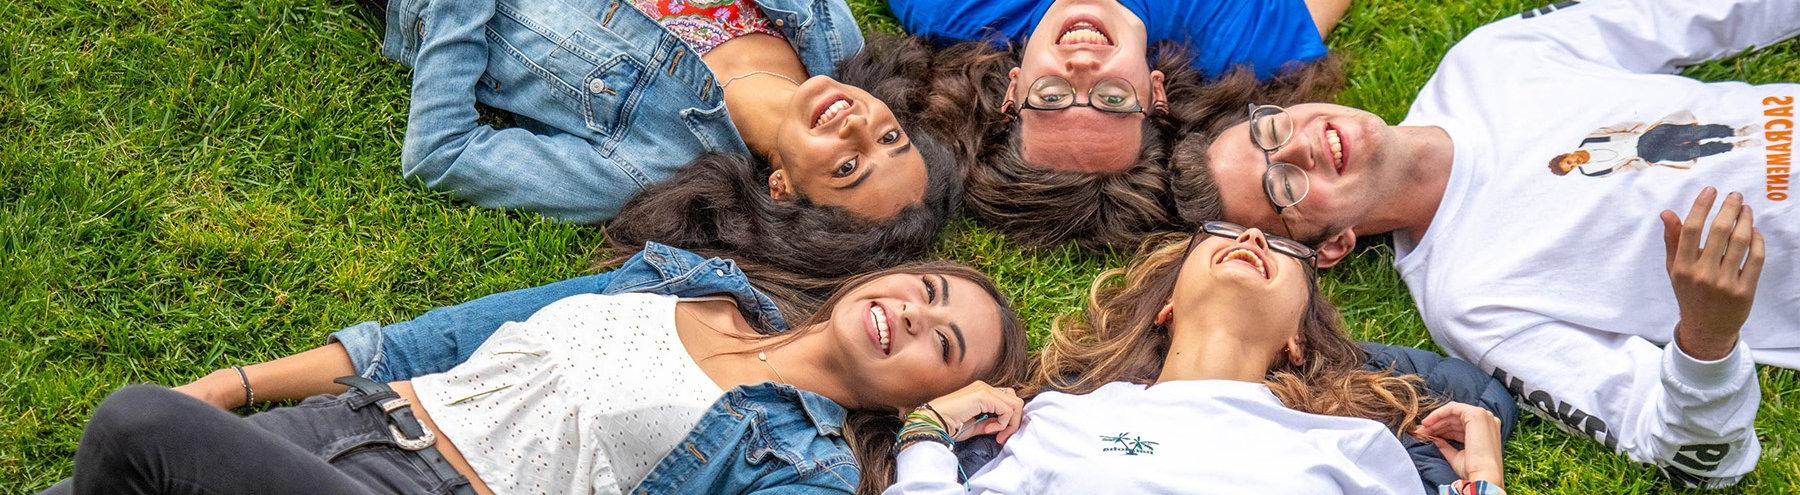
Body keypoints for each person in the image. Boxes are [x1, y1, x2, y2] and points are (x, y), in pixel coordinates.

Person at [1175, 0, 1793, 486]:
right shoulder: (1471, 299)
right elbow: (1692, 456)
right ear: (1333, 246)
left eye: (1270, 130)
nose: (1297, 147)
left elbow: (1699, 11)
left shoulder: (1489, 61)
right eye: (1283, 183)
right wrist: (1708, 341)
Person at [49, 261, 1032, 495]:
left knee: (137, 430)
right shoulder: (681, 277)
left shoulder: (803, 464)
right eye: (930, 289)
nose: (916, 313)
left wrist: (928, 441)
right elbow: (431, 340)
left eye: (942, 343)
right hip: (331, 432)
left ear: (916, 393)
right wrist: (229, 388)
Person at [883, 225, 1508, 494]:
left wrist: (1482, 479)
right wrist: (927, 432)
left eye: (1283, 247)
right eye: (1220, 234)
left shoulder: (1352, 448)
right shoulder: (1056, 422)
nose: (1252, 238)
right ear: (1167, 308)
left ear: (1299, 337)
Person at [382, 0, 957, 225]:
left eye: (847, 167)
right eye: (890, 137)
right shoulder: (830, 34)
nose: (858, 127)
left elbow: (442, 150)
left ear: (782, 189)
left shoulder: (647, 167)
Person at [886, 0, 1350, 247]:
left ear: (1012, 90)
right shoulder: (1244, 43)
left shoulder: (950, 8)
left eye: (1050, 97)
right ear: (1156, 93)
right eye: (1112, 98)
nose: (1082, 68)